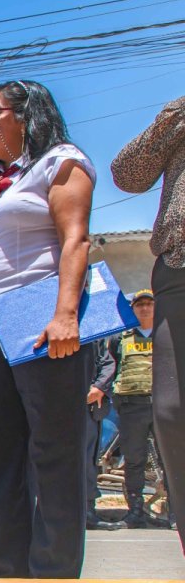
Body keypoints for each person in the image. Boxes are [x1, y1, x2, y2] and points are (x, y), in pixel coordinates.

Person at [0, 81, 96, 578]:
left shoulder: (61, 162)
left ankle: (53, 570)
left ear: (27, 116)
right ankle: (8, 567)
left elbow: (76, 239)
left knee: (53, 448)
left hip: (40, 320)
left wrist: (65, 314)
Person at [111, 96, 184, 551]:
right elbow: (128, 175)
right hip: (178, 270)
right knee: (173, 414)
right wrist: (173, 119)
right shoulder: (179, 119)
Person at [110, 290, 168, 528]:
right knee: (134, 460)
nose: (144, 308)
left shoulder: (167, 335)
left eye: (149, 304)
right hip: (132, 405)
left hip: (163, 406)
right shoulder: (121, 338)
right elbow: (112, 366)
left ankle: (174, 512)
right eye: (139, 304)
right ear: (133, 309)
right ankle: (135, 510)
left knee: (170, 460)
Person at [85, 342, 120, 531]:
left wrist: (98, 388)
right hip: (54, 408)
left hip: (86, 408)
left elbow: (107, 363)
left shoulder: (93, 336)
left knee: (88, 461)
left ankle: (87, 511)